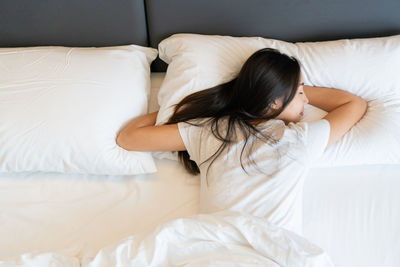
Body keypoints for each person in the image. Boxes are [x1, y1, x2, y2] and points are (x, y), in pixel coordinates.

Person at [116, 48, 368, 234]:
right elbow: (353, 104)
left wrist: (284, 90)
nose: (306, 100)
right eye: (300, 92)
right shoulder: (300, 139)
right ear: (274, 100)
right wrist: (283, 90)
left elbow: (129, 136)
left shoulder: (211, 130)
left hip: (221, 248)